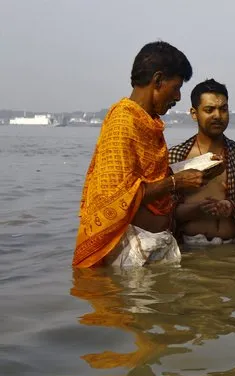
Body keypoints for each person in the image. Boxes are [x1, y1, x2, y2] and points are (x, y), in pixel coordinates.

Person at [72, 41, 205, 268]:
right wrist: (176, 182)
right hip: (126, 252)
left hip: (150, 249)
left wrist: (195, 172)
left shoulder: (147, 123)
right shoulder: (123, 122)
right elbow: (118, 197)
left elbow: (147, 180)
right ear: (158, 80)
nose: (179, 96)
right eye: (176, 87)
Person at [169, 78, 235, 246]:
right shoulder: (176, 157)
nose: (217, 116)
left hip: (233, 250)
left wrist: (230, 207)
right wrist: (198, 210)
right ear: (194, 113)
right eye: (209, 110)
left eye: (223, 109)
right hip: (188, 251)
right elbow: (164, 211)